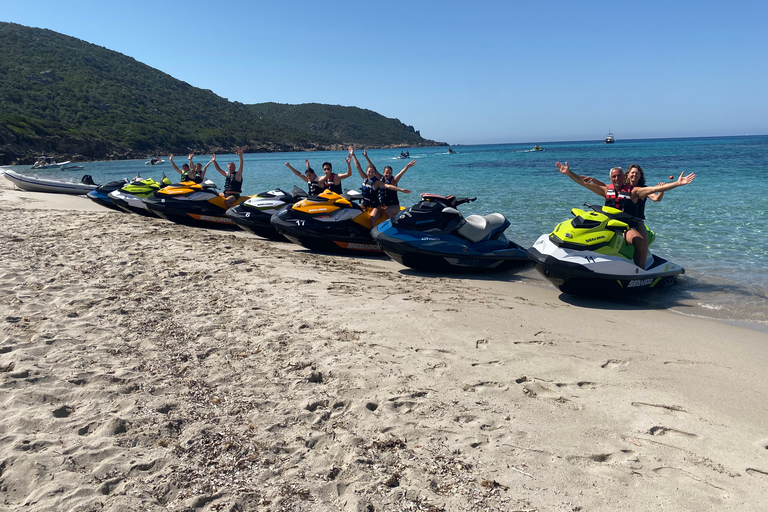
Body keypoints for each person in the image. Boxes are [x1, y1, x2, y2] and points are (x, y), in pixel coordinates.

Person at [556, 161, 695, 268]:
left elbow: (655, 189)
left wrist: (677, 183)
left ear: (624, 177)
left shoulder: (636, 191)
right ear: (611, 178)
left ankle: (638, 272)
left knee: (640, 242)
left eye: (619, 176)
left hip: (630, 225)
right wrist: (569, 173)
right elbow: (584, 183)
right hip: (609, 224)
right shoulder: (606, 190)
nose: (617, 179)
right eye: (614, 176)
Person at [350, 147, 411, 222]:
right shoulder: (380, 178)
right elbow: (372, 169)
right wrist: (366, 157)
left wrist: (402, 189)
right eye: (386, 172)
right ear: (383, 172)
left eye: (390, 173)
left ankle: (394, 224)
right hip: (382, 205)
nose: (388, 174)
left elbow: (399, 174)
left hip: (394, 206)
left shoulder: (393, 181)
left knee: (387, 211)